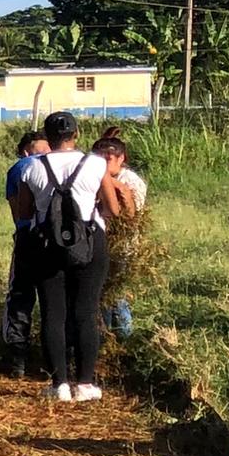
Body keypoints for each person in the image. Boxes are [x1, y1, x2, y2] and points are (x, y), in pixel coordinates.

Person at [11, 112, 109, 403]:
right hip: (91, 241)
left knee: (53, 312)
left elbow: (25, 213)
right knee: (85, 310)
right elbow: (113, 208)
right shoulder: (96, 163)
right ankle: (86, 383)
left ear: (47, 137)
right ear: (76, 134)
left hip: (45, 244)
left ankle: (60, 385)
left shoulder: (32, 167)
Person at [0, 129, 52, 370]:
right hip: (59, 239)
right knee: (55, 297)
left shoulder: (19, 168)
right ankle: (55, 357)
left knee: (20, 294)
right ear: (26, 151)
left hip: (27, 237)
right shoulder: (61, 164)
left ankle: (17, 356)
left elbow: (18, 210)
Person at [95, 134, 147, 340]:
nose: (104, 164)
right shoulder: (100, 177)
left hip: (122, 244)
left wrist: (115, 187)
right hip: (102, 242)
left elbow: (131, 214)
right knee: (103, 293)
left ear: (121, 158)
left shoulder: (130, 181)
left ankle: (122, 338)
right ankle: (106, 337)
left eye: (108, 159)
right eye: (100, 159)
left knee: (116, 294)